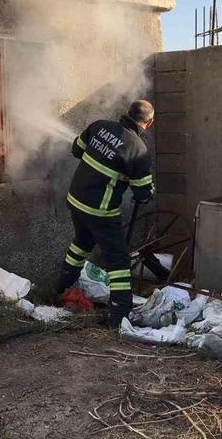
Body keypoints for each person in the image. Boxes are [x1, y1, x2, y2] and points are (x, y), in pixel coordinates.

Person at [57, 99, 155, 327]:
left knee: (81, 244)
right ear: (148, 124)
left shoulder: (99, 126)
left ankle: (60, 288)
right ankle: (119, 314)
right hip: (100, 211)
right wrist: (148, 190)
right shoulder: (138, 151)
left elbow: (76, 150)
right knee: (118, 260)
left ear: (126, 113)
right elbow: (142, 195)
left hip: (76, 201)